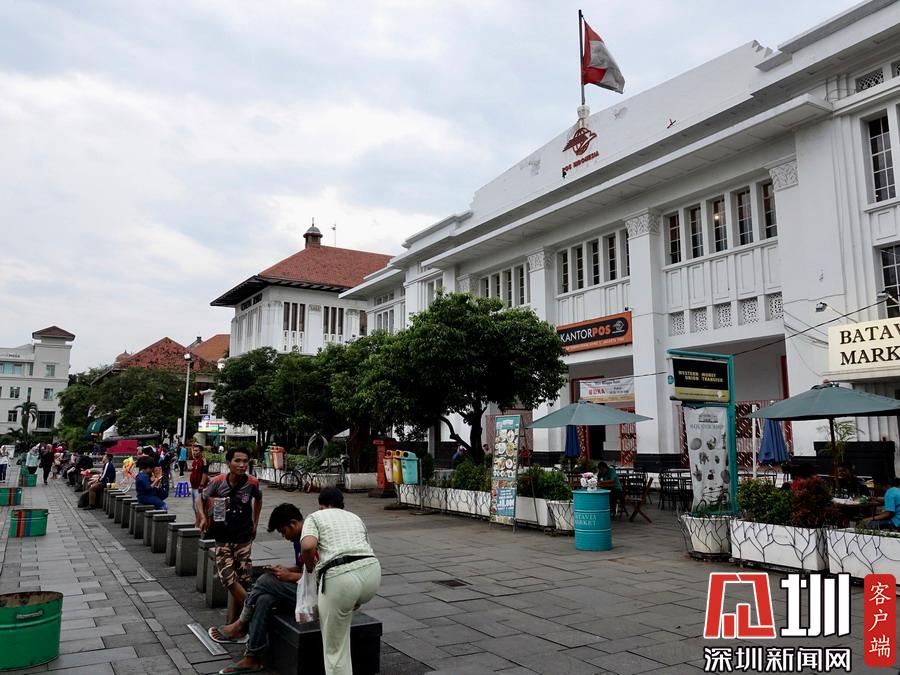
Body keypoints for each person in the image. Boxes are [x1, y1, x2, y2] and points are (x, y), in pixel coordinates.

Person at [208, 503, 309, 673]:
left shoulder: (309, 540)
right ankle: (253, 657)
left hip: (317, 595)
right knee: (264, 599)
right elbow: (303, 568)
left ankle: (241, 623)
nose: (284, 536)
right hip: (304, 588)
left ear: (293, 524)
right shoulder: (297, 539)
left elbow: (319, 577)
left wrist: (290, 576)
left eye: (283, 531)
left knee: (264, 581)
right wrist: (285, 569)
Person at [300, 487, 381, 675]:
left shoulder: (315, 517)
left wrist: (310, 567)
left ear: (321, 505)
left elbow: (308, 546)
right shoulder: (355, 517)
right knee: (344, 615)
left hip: (340, 577)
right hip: (371, 573)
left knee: (335, 649)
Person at [199, 447, 262, 624]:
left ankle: (234, 623)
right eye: (237, 461)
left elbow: (258, 499)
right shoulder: (218, 481)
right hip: (223, 536)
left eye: (245, 461)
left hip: (244, 537)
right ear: (228, 463)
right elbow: (201, 498)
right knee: (227, 577)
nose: (242, 465)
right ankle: (253, 610)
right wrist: (202, 516)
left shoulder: (252, 483)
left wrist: (255, 523)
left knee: (243, 579)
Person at [189, 445, 210, 527]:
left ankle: (199, 524)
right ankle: (198, 521)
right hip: (193, 487)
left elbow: (205, 473)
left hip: (199, 487)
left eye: (196, 450)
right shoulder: (195, 461)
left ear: (201, 452)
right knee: (194, 506)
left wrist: (201, 485)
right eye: (194, 450)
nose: (194, 452)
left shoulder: (204, 461)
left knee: (198, 507)